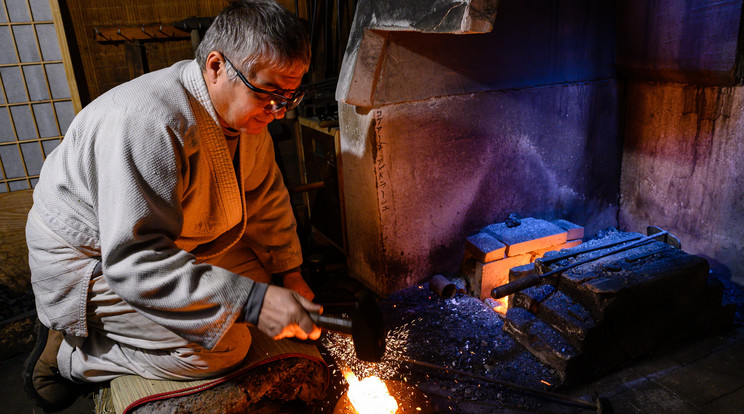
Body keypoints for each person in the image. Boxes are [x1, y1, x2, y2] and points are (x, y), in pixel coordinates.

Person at [23, 1, 321, 411]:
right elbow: (132, 257)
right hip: (93, 259)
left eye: (291, 96)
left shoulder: (248, 117)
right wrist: (250, 302)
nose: (279, 110)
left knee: (272, 296)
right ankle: (73, 355)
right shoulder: (149, 123)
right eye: (270, 93)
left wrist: (289, 272)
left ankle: (126, 327)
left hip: (176, 245)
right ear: (217, 66)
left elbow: (264, 196)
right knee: (225, 344)